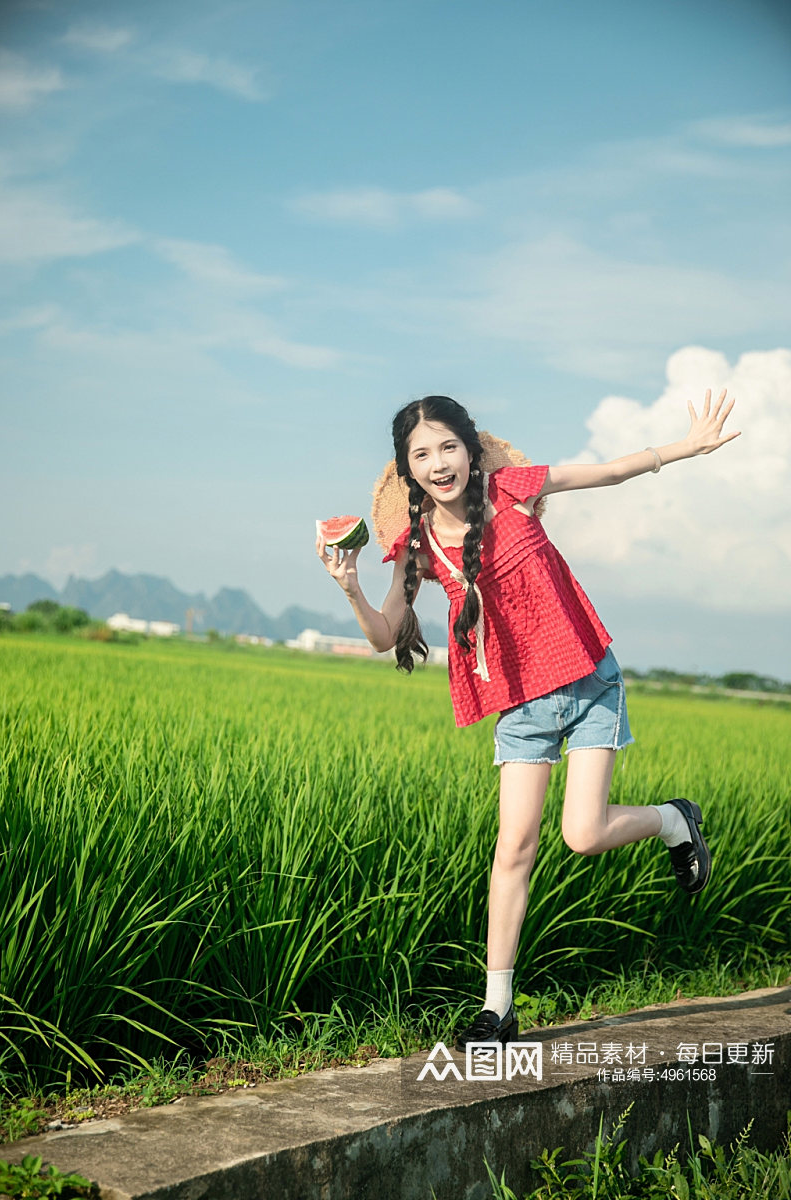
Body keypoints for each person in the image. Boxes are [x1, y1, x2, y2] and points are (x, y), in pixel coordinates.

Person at [315, 390, 739, 1049]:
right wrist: (349, 586)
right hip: (518, 704)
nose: (438, 463)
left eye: (447, 447)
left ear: (469, 449)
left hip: (589, 678)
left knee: (582, 833)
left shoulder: (511, 488)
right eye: (421, 454)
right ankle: (498, 1009)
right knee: (513, 847)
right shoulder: (417, 544)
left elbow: (608, 472)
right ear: (408, 467)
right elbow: (383, 634)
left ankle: (673, 820)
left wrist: (687, 446)